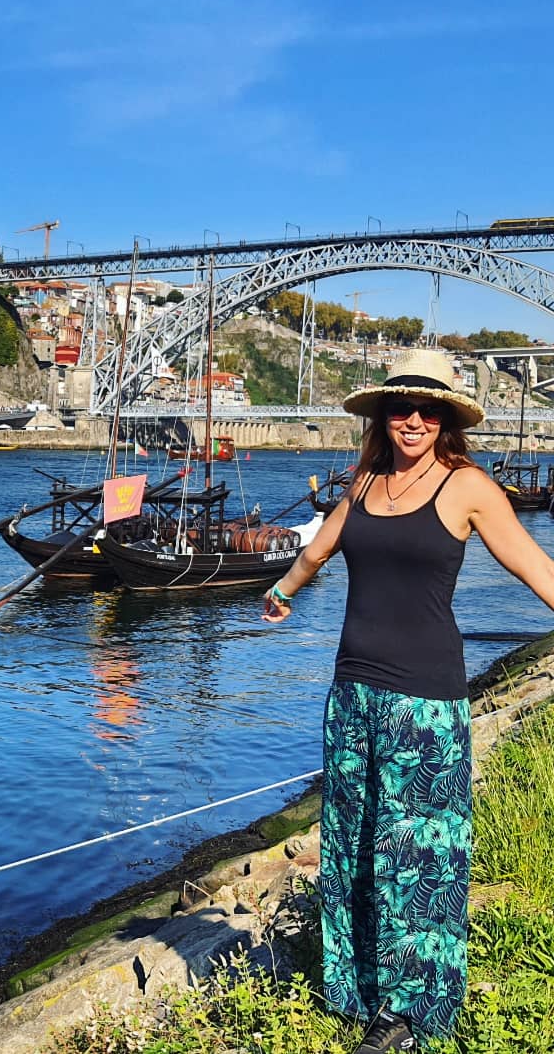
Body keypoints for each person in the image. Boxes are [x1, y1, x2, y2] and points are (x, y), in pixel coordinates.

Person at [262, 348, 554, 1053]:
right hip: (353, 691)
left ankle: (410, 1013)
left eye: (429, 410)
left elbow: (534, 564)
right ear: (383, 416)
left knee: (418, 857)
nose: (414, 419)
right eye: (401, 408)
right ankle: (361, 987)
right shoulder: (364, 481)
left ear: (447, 418)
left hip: (424, 699)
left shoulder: (468, 486)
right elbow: (318, 547)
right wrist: (282, 592)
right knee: (356, 846)